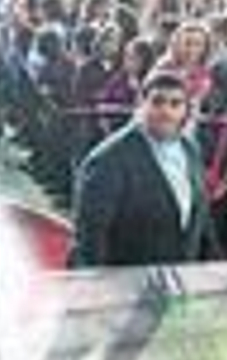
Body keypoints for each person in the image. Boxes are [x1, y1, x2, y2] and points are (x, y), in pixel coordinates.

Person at [68, 68, 216, 268]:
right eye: (157, 102)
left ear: (186, 110)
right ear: (141, 104)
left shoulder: (190, 149)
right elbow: (90, 239)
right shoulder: (107, 160)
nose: (166, 111)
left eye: (175, 104)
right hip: (128, 282)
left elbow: (200, 216)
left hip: (178, 277)